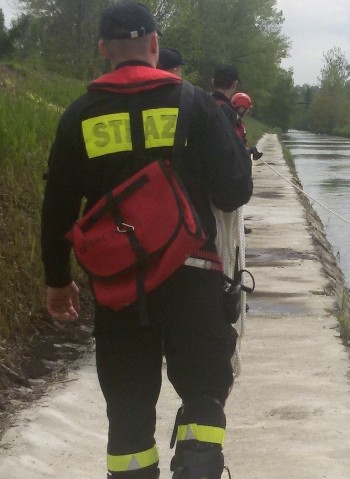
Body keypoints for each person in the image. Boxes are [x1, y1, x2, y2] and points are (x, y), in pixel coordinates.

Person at [40, 2, 252, 478]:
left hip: (120, 287)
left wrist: (57, 281)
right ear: (155, 45)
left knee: (129, 410)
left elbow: (57, 208)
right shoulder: (196, 103)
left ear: (103, 50)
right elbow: (235, 190)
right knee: (203, 390)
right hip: (192, 276)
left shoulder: (80, 115)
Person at [230, 92, 262, 160]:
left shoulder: (238, 122)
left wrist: (249, 150)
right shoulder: (232, 123)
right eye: (247, 108)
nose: (248, 111)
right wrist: (248, 151)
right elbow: (234, 147)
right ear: (241, 107)